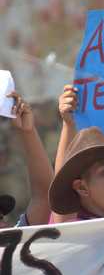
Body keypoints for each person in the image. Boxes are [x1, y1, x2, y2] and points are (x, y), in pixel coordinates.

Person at [0, 92, 54, 227]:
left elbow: (45, 196)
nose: (3, 225)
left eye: (1, 218)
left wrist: (28, 131)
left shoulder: (15, 243)